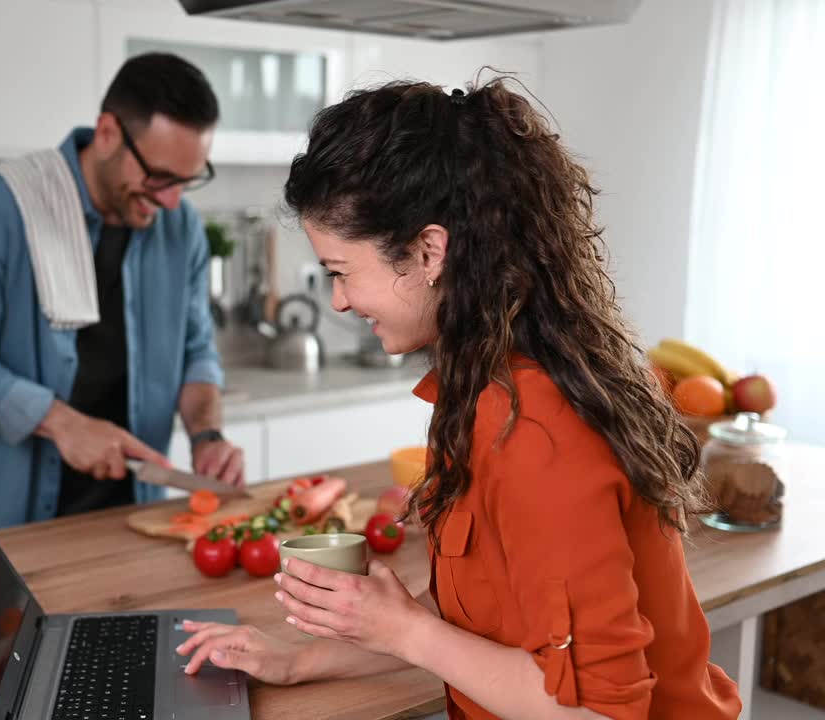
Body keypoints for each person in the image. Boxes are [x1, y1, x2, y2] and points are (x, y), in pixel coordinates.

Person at [176, 79, 743, 719]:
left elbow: (602, 715)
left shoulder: (538, 427)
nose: (337, 300)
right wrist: (293, 660)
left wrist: (403, 629)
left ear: (428, 251)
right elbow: (477, 623)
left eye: (340, 272)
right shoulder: (482, 388)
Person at [0, 53, 244, 529]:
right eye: (161, 177)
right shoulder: (0, 206)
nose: (171, 200)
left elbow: (195, 351)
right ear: (107, 133)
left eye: (187, 182)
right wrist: (63, 423)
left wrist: (207, 434)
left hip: (134, 511)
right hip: (6, 525)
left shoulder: (180, 226)